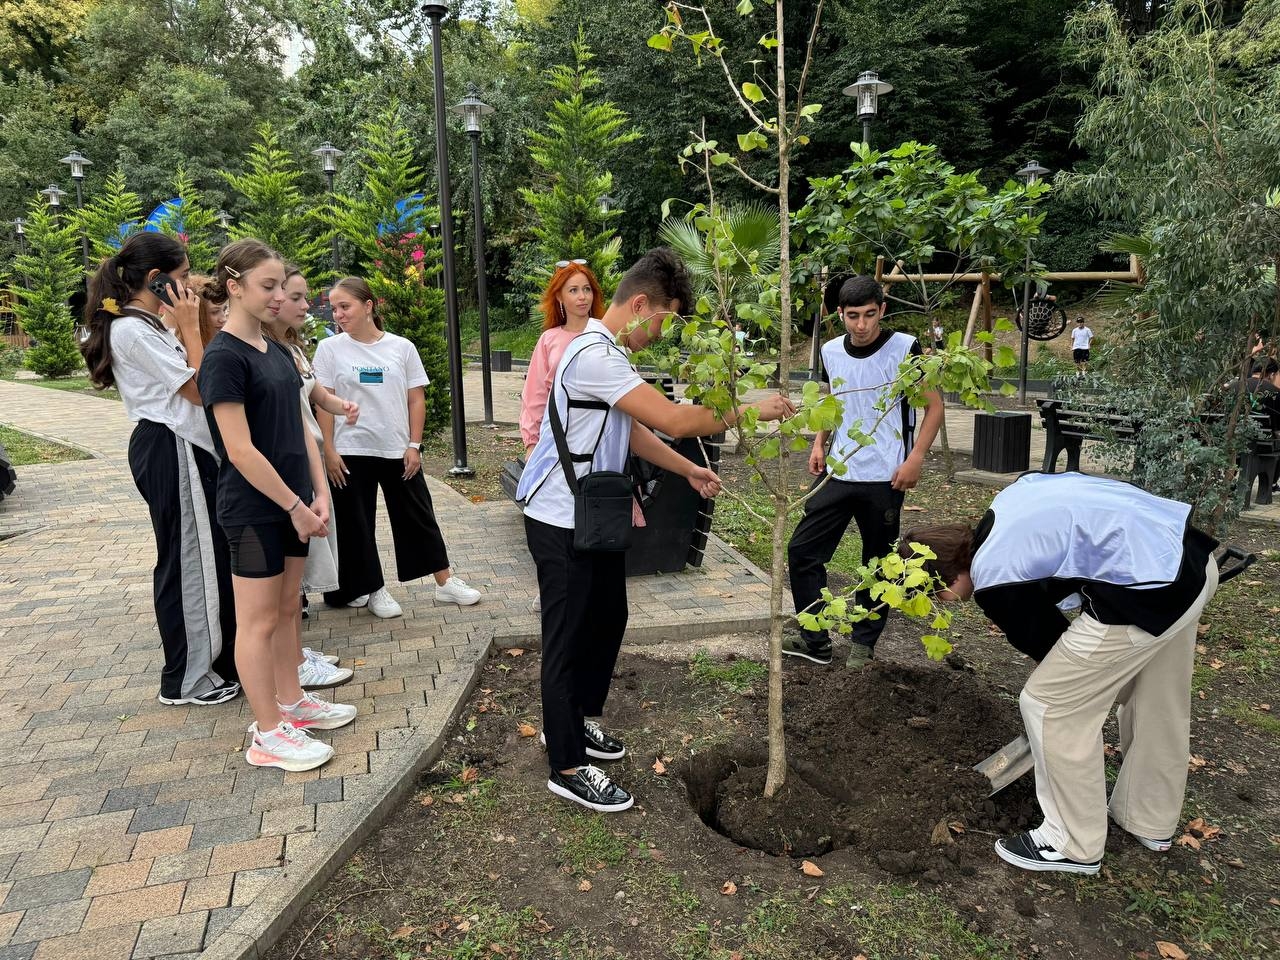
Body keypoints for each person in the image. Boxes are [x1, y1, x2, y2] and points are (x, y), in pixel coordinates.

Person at [516, 247, 796, 813]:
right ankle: (566, 764)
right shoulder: (594, 354)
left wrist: (689, 467)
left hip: (588, 516)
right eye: (664, 320)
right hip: (558, 515)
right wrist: (753, 408)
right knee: (568, 636)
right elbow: (670, 416)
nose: (661, 334)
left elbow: (635, 429)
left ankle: (573, 719)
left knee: (607, 617)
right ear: (641, 304)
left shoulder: (606, 354)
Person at [901, 471, 1220, 875]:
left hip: (1146, 592)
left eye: (936, 595)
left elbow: (1050, 643)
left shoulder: (994, 578)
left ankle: (1071, 843)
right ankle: (1149, 820)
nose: (943, 603)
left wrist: (1082, 690)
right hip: (1187, 563)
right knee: (1154, 697)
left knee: (1049, 705)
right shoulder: (1007, 507)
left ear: (946, 576)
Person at [198, 239, 356, 772]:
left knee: (290, 609)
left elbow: (301, 427)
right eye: (266, 287)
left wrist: (317, 493)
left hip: (294, 503)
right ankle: (266, 731)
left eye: (278, 287)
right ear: (234, 286)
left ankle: (292, 703)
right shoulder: (223, 356)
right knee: (258, 622)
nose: (275, 296)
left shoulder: (276, 350)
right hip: (255, 510)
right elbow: (239, 449)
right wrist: (293, 504)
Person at [80, 233, 240, 707]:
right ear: (157, 279)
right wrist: (191, 329)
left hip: (184, 447)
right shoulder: (131, 330)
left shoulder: (146, 325)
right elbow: (197, 389)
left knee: (204, 556)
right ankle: (188, 678)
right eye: (184, 274)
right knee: (189, 560)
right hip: (171, 447)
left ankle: (216, 661)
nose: (190, 283)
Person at [784, 275, 944, 669]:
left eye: (869, 315)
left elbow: (934, 407)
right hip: (838, 472)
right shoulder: (830, 350)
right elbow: (833, 400)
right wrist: (820, 442)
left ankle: (863, 646)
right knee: (802, 550)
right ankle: (814, 638)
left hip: (885, 476)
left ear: (882, 310)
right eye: (852, 315)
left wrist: (916, 458)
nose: (861, 324)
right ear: (839, 314)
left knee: (878, 561)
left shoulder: (905, 349)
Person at [312, 276, 482, 616]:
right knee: (356, 524)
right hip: (350, 451)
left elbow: (415, 399)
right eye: (334, 309)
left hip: (395, 448)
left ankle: (445, 582)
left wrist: (413, 444)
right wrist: (328, 450)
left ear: (368, 306)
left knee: (418, 515)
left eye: (345, 306)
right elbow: (323, 402)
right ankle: (374, 589)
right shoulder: (329, 349)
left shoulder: (401, 347)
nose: (338, 315)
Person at [264, 265, 358, 688]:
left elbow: (314, 394)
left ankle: (296, 654)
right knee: (288, 582)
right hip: (289, 470)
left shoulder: (291, 348)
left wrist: (341, 406)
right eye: (297, 297)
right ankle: (292, 663)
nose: (307, 306)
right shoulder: (262, 351)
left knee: (299, 574)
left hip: (308, 464)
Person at [520, 260, 606, 458]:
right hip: (558, 438)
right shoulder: (549, 340)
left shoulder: (605, 335)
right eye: (573, 290)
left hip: (601, 434)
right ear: (559, 296)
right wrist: (532, 444)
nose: (582, 297)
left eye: (587, 289)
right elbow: (535, 395)